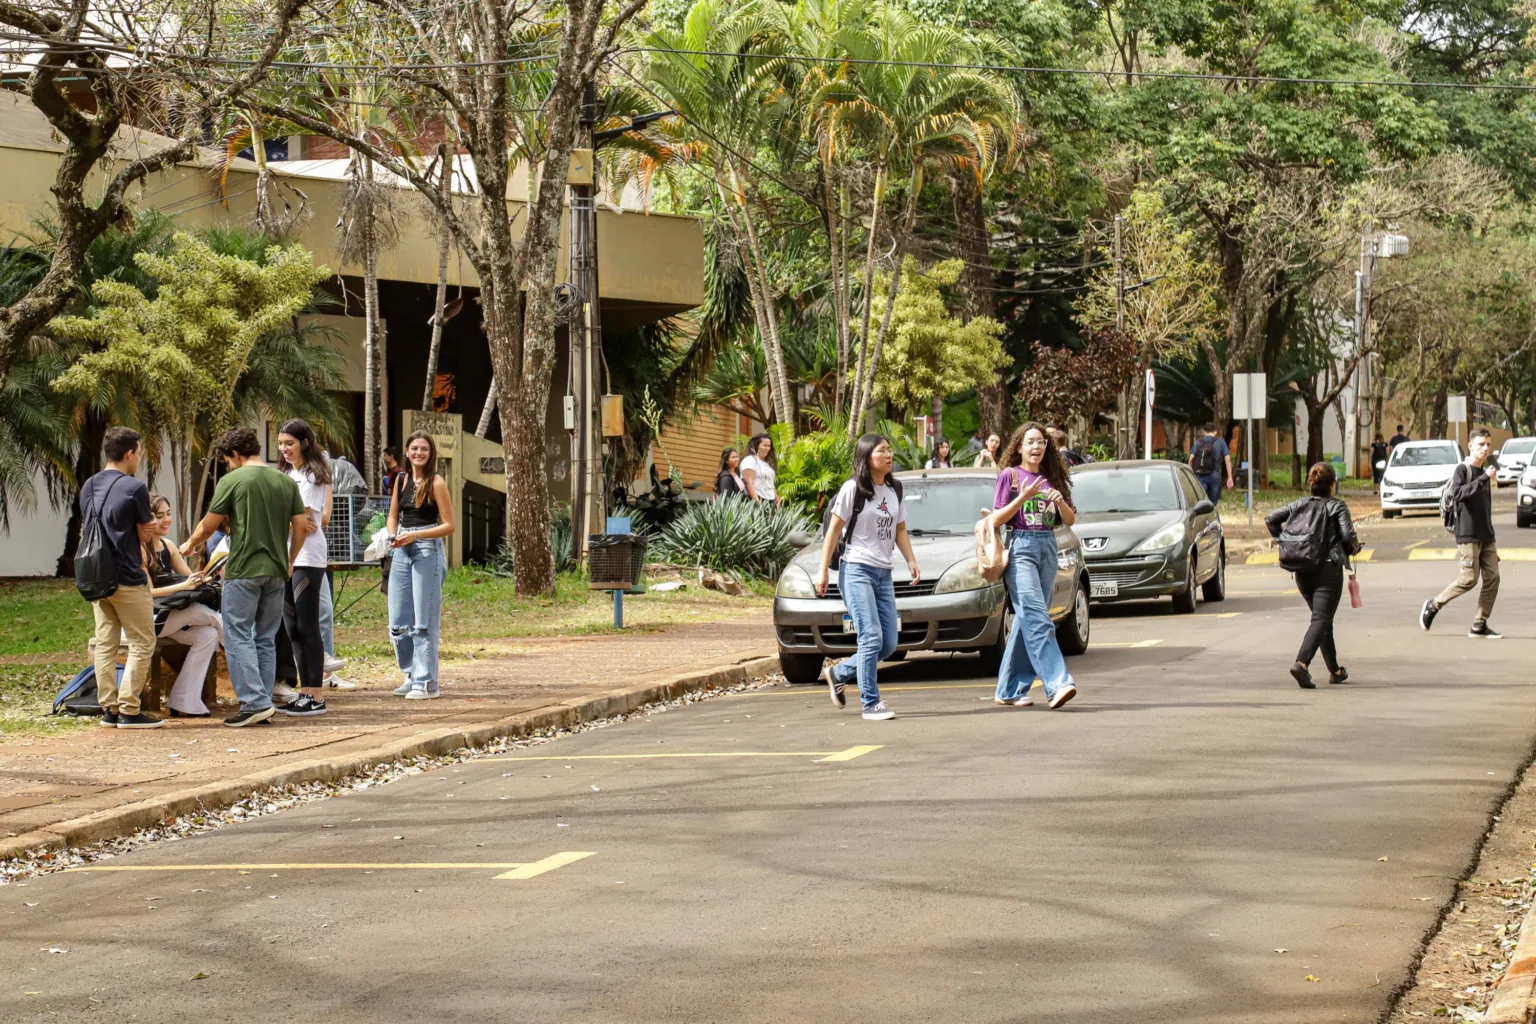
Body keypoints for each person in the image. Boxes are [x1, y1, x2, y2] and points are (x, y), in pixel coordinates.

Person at [182, 427, 315, 727]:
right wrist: (290, 560)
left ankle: (254, 702)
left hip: (243, 570)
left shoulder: (233, 480)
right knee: (265, 638)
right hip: (277, 570)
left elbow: (209, 525)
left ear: (236, 455)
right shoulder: (284, 480)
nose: (228, 466)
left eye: (228, 460)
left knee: (238, 634)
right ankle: (264, 700)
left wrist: (191, 544)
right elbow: (302, 527)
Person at [814, 434, 920, 721]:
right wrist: (822, 570)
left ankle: (839, 672)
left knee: (888, 644)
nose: (889, 455)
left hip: (884, 573)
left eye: (889, 450)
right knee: (870, 637)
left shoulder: (894, 489)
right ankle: (870, 703)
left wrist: (910, 560)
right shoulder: (853, 489)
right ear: (867, 457)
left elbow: (899, 529)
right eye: (881, 451)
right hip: (857, 569)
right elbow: (833, 531)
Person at [987, 423, 1079, 710]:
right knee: (1038, 617)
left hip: (1048, 547)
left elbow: (1069, 519)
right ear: (1019, 447)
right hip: (1022, 549)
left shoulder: (1052, 478)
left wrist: (1060, 502)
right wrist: (1023, 497)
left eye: (1041, 442)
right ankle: (1058, 683)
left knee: (1029, 619)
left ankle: (1009, 689)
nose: (1036, 447)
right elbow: (997, 519)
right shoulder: (1010, 476)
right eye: (1030, 442)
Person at [78, 427, 162, 729]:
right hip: (126, 575)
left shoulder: (89, 485)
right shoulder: (134, 487)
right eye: (138, 452)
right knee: (142, 641)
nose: (138, 458)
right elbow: (143, 530)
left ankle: (109, 709)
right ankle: (129, 709)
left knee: (105, 643)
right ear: (129, 454)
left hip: (97, 577)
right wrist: (148, 527)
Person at [1265, 463, 1360, 689]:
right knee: (1321, 619)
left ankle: (1335, 670)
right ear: (1333, 484)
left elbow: (1270, 519)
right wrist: (1354, 548)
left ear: (1312, 483)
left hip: (1302, 570)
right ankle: (1302, 664)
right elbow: (1348, 537)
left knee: (1322, 619)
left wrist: (1287, 542)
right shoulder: (1337, 506)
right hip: (1327, 570)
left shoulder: (1299, 504)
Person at [387, 429, 457, 699]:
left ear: (430, 454)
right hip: (401, 549)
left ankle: (426, 682)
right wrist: (392, 535)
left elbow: (449, 526)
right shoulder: (401, 479)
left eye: (424, 449)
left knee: (423, 620)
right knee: (398, 621)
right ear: (407, 451)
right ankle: (410, 672)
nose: (418, 453)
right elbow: (393, 515)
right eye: (414, 448)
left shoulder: (436, 482)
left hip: (427, 549)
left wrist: (415, 535)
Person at [143, 492, 222, 717]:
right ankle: (246, 668)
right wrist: (183, 587)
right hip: (149, 620)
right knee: (204, 614)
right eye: (159, 516)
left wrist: (213, 572)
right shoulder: (140, 549)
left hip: (171, 618)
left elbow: (191, 579)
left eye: (168, 514)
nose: (166, 520)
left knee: (208, 635)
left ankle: (184, 700)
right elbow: (147, 594)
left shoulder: (168, 546)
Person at [1420, 427, 1501, 638]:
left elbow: (1485, 506)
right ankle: (1434, 604)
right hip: (1467, 534)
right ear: (1471, 446)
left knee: (1493, 578)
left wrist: (1490, 533)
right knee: (1468, 579)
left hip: (1486, 534)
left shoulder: (1485, 470)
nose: (1485, 449)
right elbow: (1458, 494)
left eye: (1488, 445)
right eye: (1481, 444)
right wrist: (1483, 478)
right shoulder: (1462, 470)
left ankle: (1479, 623)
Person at [276, 419, 332, 698]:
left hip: (307, 557)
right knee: (292, 626)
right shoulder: (287, 475)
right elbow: (294, 520)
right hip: (286, 557)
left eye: (290, 443)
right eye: (281, 443)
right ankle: (304, 693)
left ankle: (315, 695)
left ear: (305, 443)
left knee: (307, 624)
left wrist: (282, 521)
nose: (284, 449)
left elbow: (307, 522)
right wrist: (286, 521)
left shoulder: (311, 476)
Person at [1189, 422, 1234, 505]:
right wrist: (1230, 477)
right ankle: (1212, 514)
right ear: (1215, 432)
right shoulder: (1221, 442)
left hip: (1201, 475)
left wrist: (1191, 474)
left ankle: (1203, 516)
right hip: (1214, 475)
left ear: (1204, 432)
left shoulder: (1198, 442)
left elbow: (1191, 459)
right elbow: (1227, 459)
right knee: (1213, 503)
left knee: (1201, 501)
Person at [739, 434, 778, 504]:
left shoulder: (767, 464)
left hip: (770, 500)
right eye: (765, 445)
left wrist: (776, 499)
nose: (767, 448)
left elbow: (770, 483)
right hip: (756, 500)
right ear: (757, 445)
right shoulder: (750, 460)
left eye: (769, 446)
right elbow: (747, 481)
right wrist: (756, 500)